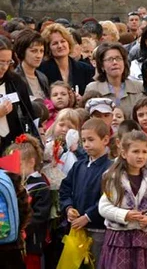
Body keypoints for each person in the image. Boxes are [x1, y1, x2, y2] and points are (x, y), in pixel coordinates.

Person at [98, 130, 147, 269]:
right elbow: (103, 206)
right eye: (135, 151)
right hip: (120, 239)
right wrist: (124, 215)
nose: (140, 156)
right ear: (124, 153)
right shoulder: (113, 178)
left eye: (144, 152)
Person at [59, 119, 114, 264]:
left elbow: (108, 198)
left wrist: (88, 217)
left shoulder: (111, 168)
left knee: (96, 263)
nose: (86, 144)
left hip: (98, 229)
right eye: (83, 140)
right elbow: (65, 188)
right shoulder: (79, 165)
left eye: (91, 139)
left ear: (105, 140)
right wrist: (68, 207)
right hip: (77, 227)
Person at [7, 135, 50, 269]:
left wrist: (20, 229)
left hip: (31, 242)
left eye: (18, 164)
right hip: (12, 240)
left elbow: (40, 215)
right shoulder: (13, 182)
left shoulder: (41, 186)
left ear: (31, 162)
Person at [86, 43, 144, 119]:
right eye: (110, 59)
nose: (115, 62)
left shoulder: (138, 87)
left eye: (118, 58)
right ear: (102, 65)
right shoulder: (93, 88)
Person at [0, 35, 37, 153]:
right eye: (0, 62)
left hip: (12, 143)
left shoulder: (15, 81)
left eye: (8, 62)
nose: (4, 67)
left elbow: (29, 114)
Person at [38, 23, 94, 95]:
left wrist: (82, 100)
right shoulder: (41, 70)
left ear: (69, 43)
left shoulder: (86, 69)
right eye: (55, 43)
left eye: (63, 41)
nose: (60, 46)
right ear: (48, 48)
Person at [14, 30, 50, 99]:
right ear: (22, 52)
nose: (39, 55)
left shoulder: (43, 77)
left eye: (41, 51)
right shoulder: (15, 79)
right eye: (34, 51)